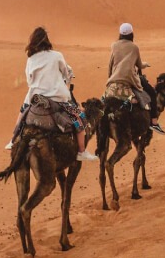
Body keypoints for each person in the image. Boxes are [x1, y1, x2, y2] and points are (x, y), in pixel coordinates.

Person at [6, 26, 99, 161]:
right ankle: (81, 151)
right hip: (57, 97)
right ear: (47, 41)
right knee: (79, 117)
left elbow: (29, 80)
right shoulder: (57, 55)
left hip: (35, 97)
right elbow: (66, 72)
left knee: (22, 113)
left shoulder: (30, 59)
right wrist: (64, 79)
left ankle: (13, 139)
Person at [106, 22, 165, 134]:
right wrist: (145, 64)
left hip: (113, 80)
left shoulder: (114, 45)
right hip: (130, 79)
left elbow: (110, 64)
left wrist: (110, 79)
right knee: (152, 93)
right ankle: (154, 122)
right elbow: (139, 65)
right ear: (131, 34)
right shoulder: (134, 48)